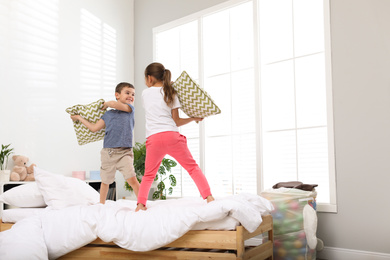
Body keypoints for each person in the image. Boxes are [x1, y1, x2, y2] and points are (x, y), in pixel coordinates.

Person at [135, 62, 215, 212]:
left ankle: (140, 205)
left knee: (148, 175)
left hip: (154, 139)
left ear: (150, 78)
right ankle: (209, 198)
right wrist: (193, 118)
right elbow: (177, 121)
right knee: (192, 168)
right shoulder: (171, 92)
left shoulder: (145, 93)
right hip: (172, 136)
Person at [70, 82, 140, 204]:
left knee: (132, 179)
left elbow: (113, 104)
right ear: (117, 95)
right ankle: (101, 204)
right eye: (127, 93)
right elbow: (94, 128)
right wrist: (79, 118)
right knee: (105, 181)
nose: (131, 96)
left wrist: (107, 104)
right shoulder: (108, 114)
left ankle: (142, 202)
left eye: (133, 94)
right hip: (109, 153)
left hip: (125, 152)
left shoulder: (130, 109)